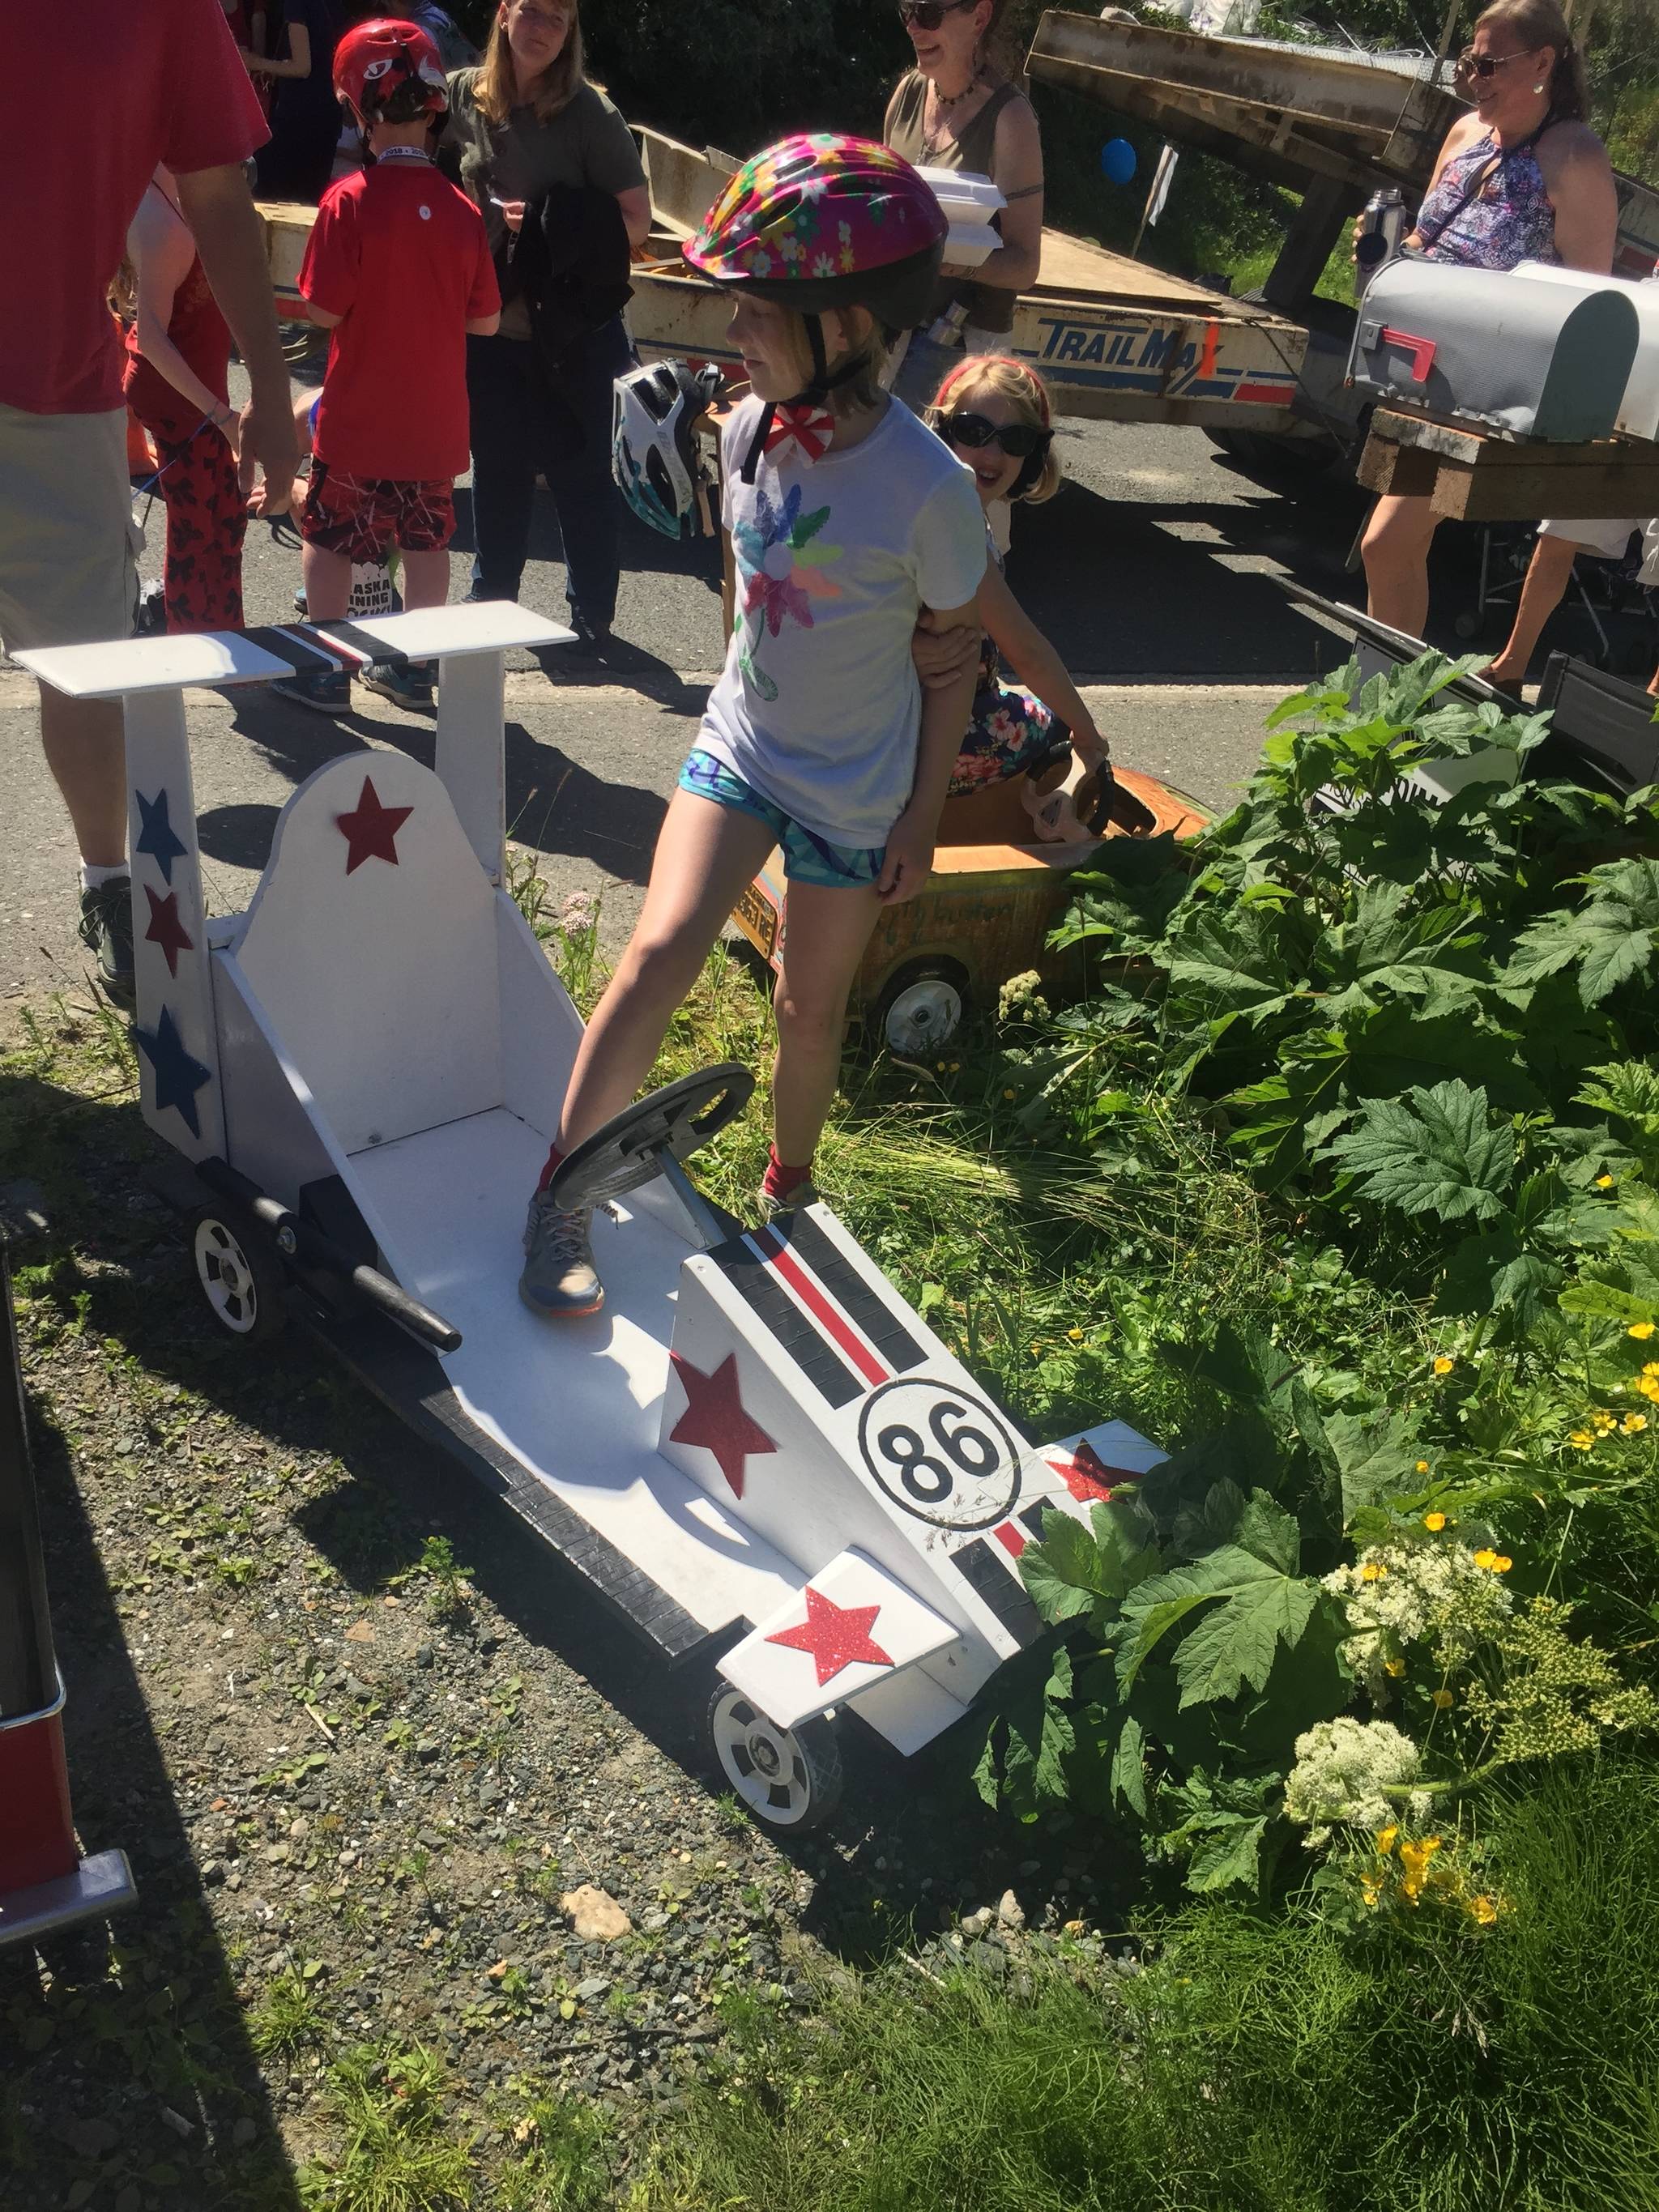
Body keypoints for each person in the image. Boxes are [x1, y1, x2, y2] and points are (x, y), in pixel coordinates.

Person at [518, 135, 987, 1320]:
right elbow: (741, 590)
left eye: (757, 311)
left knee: (808, 1007)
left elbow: (953, 660)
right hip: (744, 747)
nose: (732, 332)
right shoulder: (743, 432)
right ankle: (559, 1196)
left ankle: (791, 1197)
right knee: (659, 950)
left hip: (855, 792)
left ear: (849, 322)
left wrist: (922, 816)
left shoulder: (930, 490)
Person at [2, 4, 296, 1002]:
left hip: (60, 392)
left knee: (87, 668)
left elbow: (218, 192)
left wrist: (269, 386)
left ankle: (109, 880)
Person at [1359, 0, 1618, 641]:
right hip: (1418, 365)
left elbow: (1589, 309)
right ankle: (1388, 714)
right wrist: (1386, 248)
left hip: (1488, 388)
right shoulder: (1464, 134)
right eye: (1469, 63)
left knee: (1386, 544)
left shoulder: (1575, 157)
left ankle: (1380, 716)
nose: (1474, 79)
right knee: (1392, 550)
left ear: (1543, 63)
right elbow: (1426, 236)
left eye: (1489, 64)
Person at [275, 15, 501, 713]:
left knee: (331, 535)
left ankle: (325, 667)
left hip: (358, 420)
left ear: (358, 110)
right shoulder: (464, 211)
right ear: (434, 109)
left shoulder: (348, 203)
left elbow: (323, 312)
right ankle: (413, 667)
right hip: (434, 427)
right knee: (428, 541)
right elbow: (486, 320)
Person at [444, 0, 650, 653]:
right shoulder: (461, 97)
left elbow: (637, 223)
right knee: (497, 470)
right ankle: (489, 605)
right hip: (492, 326)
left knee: (581, 475)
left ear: (571, 34)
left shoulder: (591, 115)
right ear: (504, 15)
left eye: (559, 18)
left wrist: (547, 224)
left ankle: (592, 619)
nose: (543, 29)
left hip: (575, 334)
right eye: (532, 11)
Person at [922, 355, 1107, 799]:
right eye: (972, 432)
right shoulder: (956, 525)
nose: (991, 454)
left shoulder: (955, 510)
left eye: (1015, 439)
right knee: (1055, 724)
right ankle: (1024, 817)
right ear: (942, 435)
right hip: (933, 725)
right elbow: (1027, 652)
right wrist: (1091, 740)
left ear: (1035, 452)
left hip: (926, 708)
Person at [883, 0, 1044, 405]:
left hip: (961, 351)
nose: (915, 28)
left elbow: (1025, 265)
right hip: (891, 330)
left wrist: (956, 262)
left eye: (930, 14)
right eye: (907, 12)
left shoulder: (1011, 119)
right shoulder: (908, 94)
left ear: (980, 17)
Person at [120, 172, 249, 634]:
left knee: (227, 511)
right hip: (180, 398)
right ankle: (193, 642)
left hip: (201, 392)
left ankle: (224, 630)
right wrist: (220, 415)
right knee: (198, 525)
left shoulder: (173, 199)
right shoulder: (160, 224)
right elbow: (153, 339)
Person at [249, 0, 344, 202]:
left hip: (295, 119)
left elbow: (302, 67)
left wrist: (253, 62)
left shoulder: (296, 4)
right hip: (329, 115)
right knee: (310, 206)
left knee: (266, 201)